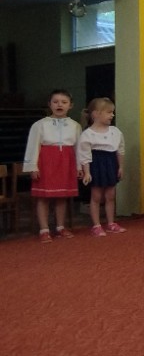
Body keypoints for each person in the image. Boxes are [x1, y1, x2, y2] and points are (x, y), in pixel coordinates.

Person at [23, 89, 82, 243]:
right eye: (55, 102)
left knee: (62, 196)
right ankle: (44, 229)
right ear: (49, 104)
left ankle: (60, 227)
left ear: (70, 105)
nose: (59, 105)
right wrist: (32, 166)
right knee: (43, 197)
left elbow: (79, 148)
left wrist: (79, 166)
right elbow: (33, 146)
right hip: (46, 162)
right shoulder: (40, 125)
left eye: (64, 102)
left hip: (66, 162)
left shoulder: (75, 126)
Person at [78, 97, 126, 237]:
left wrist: (121, 167)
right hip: (96, 164)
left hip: (111, 163)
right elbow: (84, 155)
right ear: (96, 114)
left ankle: (111, 223)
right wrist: (87, 172)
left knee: (110, 195)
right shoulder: (88, 134)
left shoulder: (115, 131)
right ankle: (96, 225)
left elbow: (120, 150)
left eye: (112, 112)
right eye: (109, 112)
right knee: (96, 196)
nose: (112, 115)